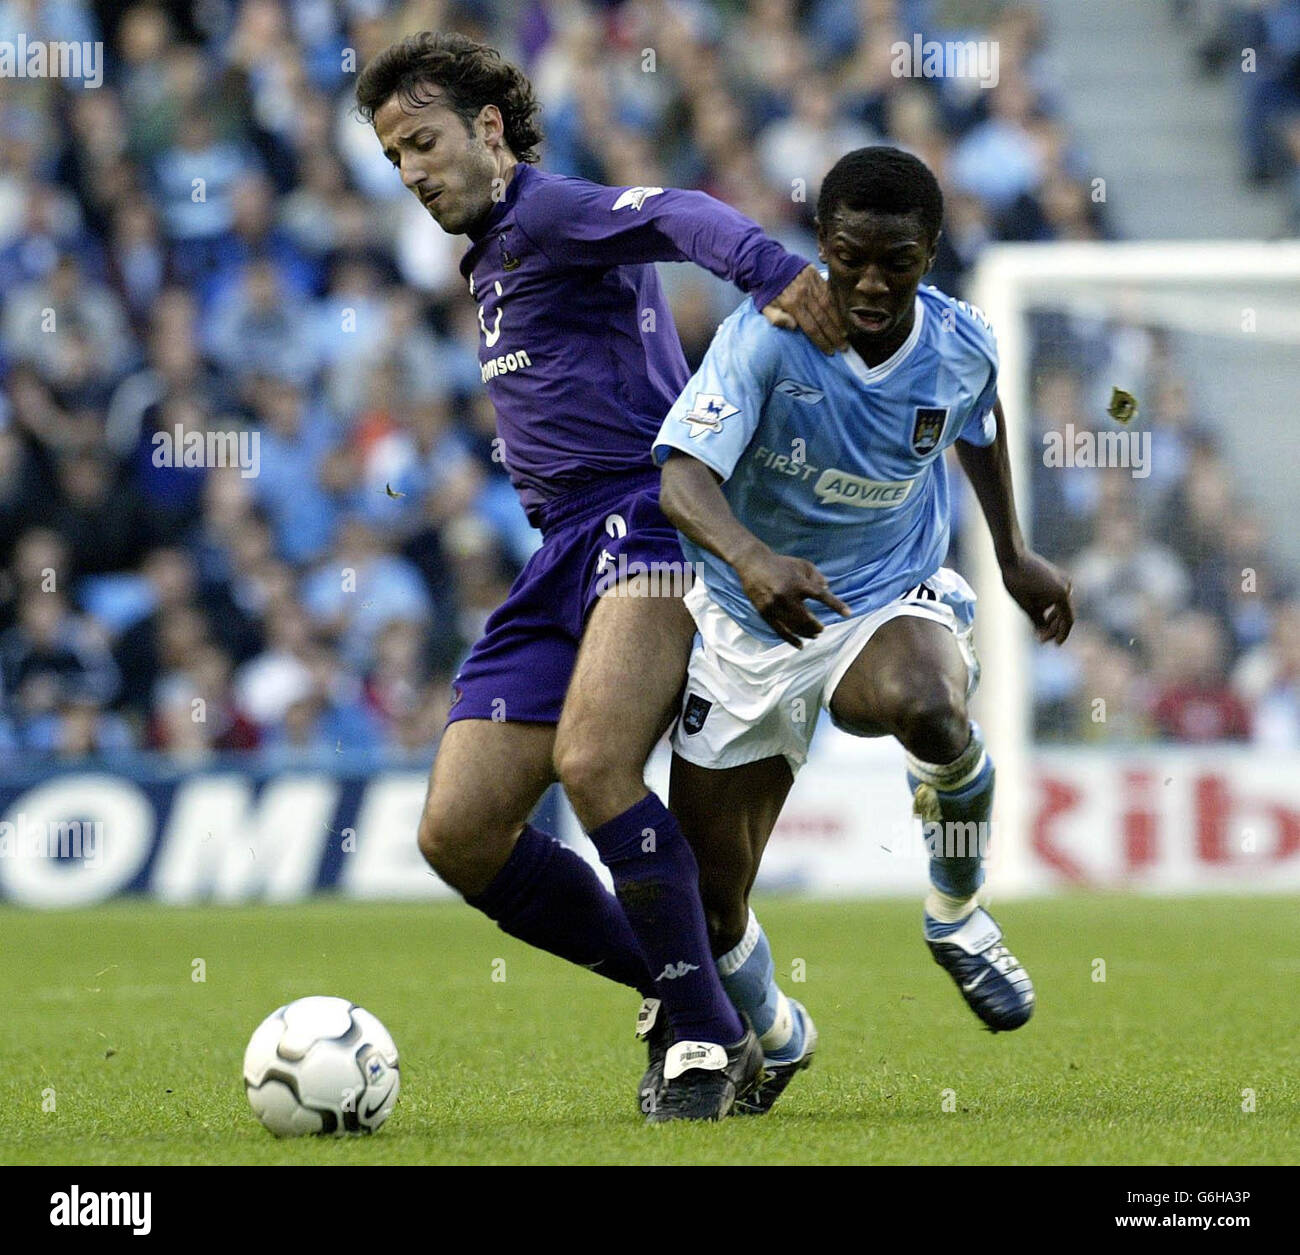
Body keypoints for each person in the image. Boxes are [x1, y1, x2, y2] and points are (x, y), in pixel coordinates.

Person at [355, 31, 843, 1121]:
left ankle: (707, 1043)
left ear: (488, 128)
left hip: (646, 521)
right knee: (461, 830)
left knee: (593, 762)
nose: (412, 171)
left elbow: (672, 210)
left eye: (423, 142)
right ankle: (704, 997)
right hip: (560, 553)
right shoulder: (485, 253)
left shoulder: (546, 210)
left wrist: (772, 272)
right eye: (394, 158)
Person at [653, 148, 1075, 1109]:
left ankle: (958, 914)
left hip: (885, 592)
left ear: (930, 252)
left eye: (900, 261)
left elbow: (978, 418)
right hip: (745, 620)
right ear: (823, 246)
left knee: (926, 704)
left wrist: (1011, 554)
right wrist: (753, 560)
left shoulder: (962, 342)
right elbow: (681, 476)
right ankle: (777, 1032)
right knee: (711, 911)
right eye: (852, 258)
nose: (873, 283)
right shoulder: (766, 339)